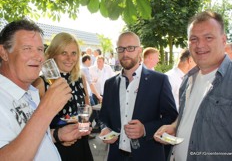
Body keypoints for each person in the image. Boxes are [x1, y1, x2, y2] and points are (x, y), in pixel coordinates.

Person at [0, 19, 86, 160]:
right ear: (3, 52)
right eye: (27, 48)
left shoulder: (31, 93)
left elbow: (30, 139)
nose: (38, 56)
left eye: (40, 49)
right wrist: (47, 109)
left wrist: (56, 135)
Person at [154, 11, 232, 161]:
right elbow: (192, 116)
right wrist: (175, 127)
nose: (200, 45)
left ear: (223, 40)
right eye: (194, 39)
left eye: (208, 37)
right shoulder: (188, 79)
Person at [99, 31, 178, 161]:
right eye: (121, 49)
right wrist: (105, 128)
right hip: (116, 156)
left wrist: (145, 129)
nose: (125, 53)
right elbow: (103, 117)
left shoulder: (159, 80)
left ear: (139, 50)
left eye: (130, 48)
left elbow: (171, 117)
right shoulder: (110, 84)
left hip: (148, 155)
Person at [33, 32, 93, 161]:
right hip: (56, 148)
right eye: (64, 53)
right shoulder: (41, 83)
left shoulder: (80, 78)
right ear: (54, 54)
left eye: (73, 53)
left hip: (81, 144)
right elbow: (32, 123)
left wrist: (85, 121)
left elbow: (87, 106)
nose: (69, 58)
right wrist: (57, 135)